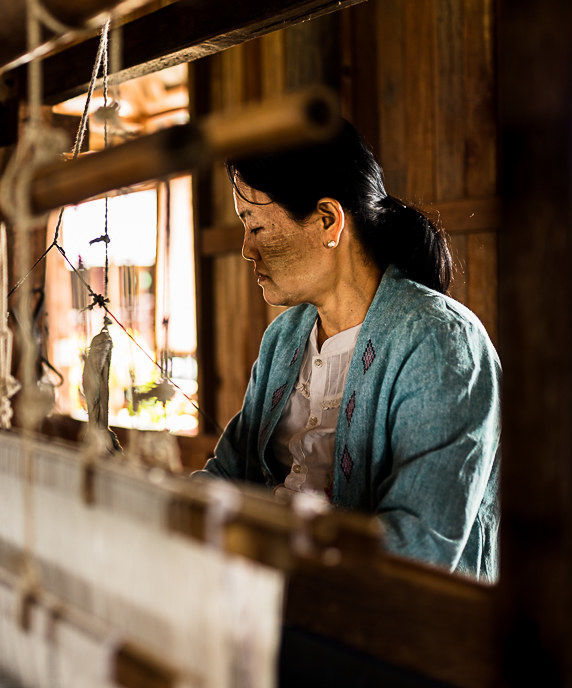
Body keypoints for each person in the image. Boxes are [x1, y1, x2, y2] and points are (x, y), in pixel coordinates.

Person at [195, 121, 500, 581]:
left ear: (327, 220)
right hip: (268, 591)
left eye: (255, 225)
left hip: (374, 610)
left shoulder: (441, 342)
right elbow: (228, 473)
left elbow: (418, 545)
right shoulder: (284, 338)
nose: (246, 250)